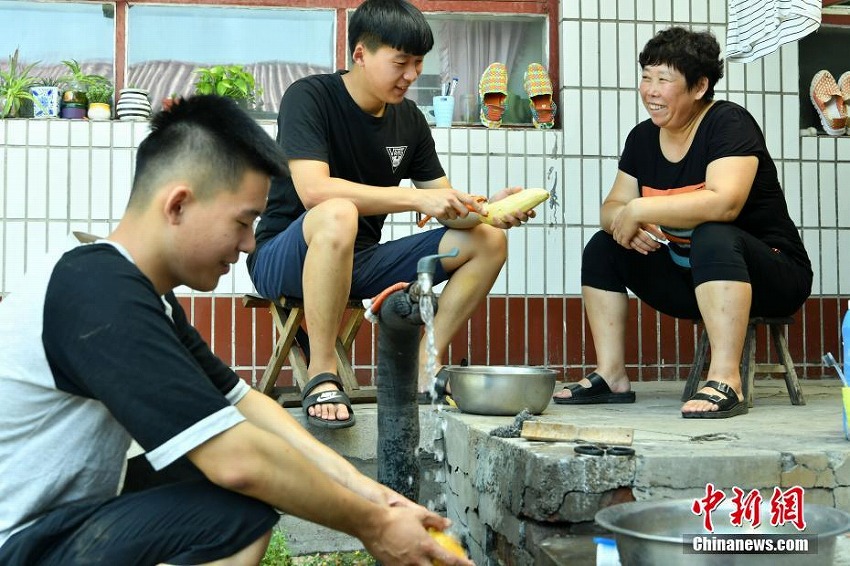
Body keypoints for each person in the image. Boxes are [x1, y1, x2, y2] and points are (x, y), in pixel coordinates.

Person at [0, 95, 472, 566]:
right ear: (179, 205)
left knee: (234, 473)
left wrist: (374, 496)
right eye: (244, 221)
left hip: (60, 524)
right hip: (18, 541)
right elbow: (238, 462)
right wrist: (375, 527)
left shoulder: (135, 290)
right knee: (235, 510)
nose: (249, 243)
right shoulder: (98, 291)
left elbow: (243, 402)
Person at [248, 0, 533, 429]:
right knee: (337, 211)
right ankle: (322, 372)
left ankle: (426, 367)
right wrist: (418, 201)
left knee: (488, 242)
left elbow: (444, 203)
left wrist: (487, 212)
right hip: (285, 255)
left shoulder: (410, 121)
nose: (412, 75)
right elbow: (313, 191)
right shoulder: (309, 97)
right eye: (401, 62)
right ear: (360, 53)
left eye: (419, 63)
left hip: (360, 260)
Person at [552, 27, 812, 419]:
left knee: (713, 232)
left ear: (699, 86)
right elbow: (613, 208)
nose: (650, 90)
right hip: (695, 276)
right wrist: (626, 220)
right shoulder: (643, 138)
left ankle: (726, 379)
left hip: (770, 274)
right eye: (646, 77)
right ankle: (612, 375)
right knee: (603, 246)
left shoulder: (728, 123)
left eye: (664, 80)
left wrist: (640, 211)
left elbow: (724, 203)